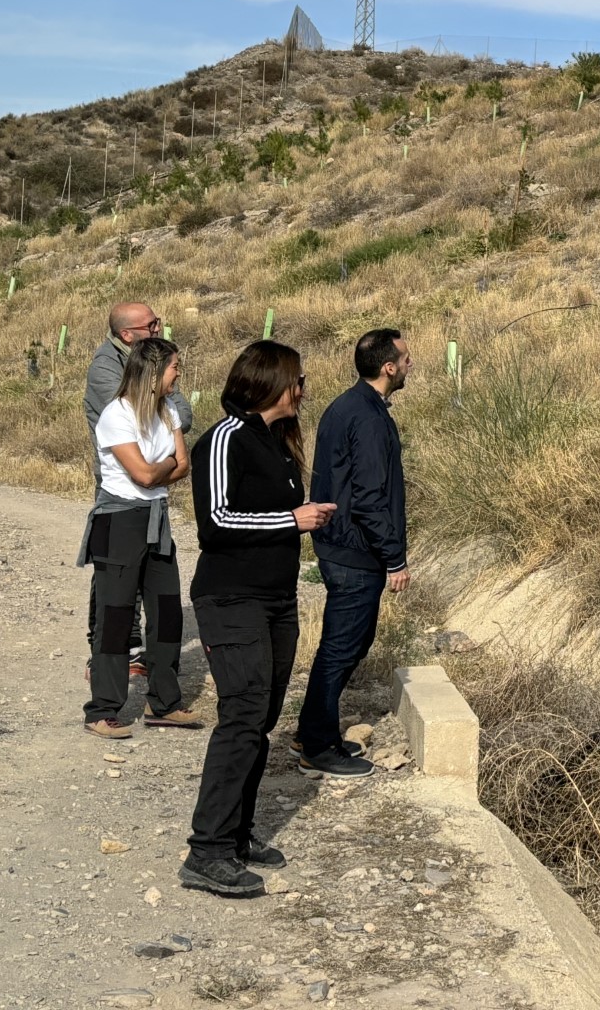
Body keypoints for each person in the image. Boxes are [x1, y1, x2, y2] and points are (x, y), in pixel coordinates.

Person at [182, 341, 336, 899]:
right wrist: (292, 519)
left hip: (276, 600)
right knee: (242, 715)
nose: (304, 387)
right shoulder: (225, 437)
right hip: (231, 600)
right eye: (298, 378)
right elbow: (216, 522)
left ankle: (238, 835)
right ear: (271, 381)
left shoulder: (278, 442)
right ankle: (207, 851)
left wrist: (307, 520)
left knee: (262, 717)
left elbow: (270, 518)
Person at [293, 329, 413, 779]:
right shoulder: (365, 416)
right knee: (341, 647)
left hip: (341, 545)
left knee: (349, 643)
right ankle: (318, 747)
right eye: (405, 358)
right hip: (355, 550)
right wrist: (394, 557)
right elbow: (368, 497)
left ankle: (311, 731)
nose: (409, 365)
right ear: (388, 367)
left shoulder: (350, 405)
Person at [79, 338, 202, 737]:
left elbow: (184, 466)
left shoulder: (167, 410)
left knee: (168, 613)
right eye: (174, 367)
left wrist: (160, 466)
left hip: (156, 517)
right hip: (120, 521)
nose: (178, 373)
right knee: (115, 618)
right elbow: (146, 475)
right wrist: (164, 465)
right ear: (152, 372)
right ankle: (102, 709)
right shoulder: (116, 415)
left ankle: (164, 703)